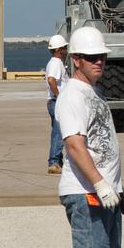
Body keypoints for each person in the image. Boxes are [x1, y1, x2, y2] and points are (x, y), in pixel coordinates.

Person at [55, 26, 124, 248]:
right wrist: (100, 184)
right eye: (91, 57)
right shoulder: (72, 95)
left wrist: (117, 188)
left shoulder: (94, 92)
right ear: (76, 60)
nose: (99, 62)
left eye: (102, 57)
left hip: (106, 192)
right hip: (86, 193)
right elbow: (75, 146)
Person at [46, 34, 69, 174]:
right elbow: (51, 80)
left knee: (58, 132)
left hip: (55, 102)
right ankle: (54, 162)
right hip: (56, 102)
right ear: (59, 49)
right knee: (58, 133)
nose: (66, 50)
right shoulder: (55, 63)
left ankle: (58, 161)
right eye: (65, 48)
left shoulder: (56, 62)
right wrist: (59, 97)